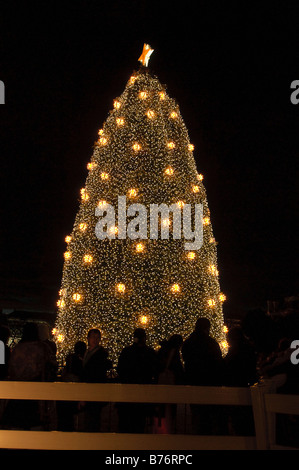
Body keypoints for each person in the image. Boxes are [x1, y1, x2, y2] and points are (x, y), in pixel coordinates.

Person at [1, 322, 53, 430]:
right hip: (36, 387)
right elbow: (50, 365)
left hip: (18, 388)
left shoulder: (18, 348)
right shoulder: (42, 347)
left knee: (16, 419)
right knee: (35, 419)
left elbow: (10, 368)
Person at [182, 317, 225, 435]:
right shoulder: (211, 343)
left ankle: (198, 437)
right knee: (209, 414)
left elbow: (186, 360)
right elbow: (218, 363)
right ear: (207, 328)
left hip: (194, 381)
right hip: (210, 383)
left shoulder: (188, 343)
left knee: (197, 413)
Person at [117, 328, 158, 433]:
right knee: (139, 422)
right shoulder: (149, 353)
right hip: (143, 392)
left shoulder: (127, 352)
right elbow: (155, 369)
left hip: (128, 391)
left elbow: (120, 369)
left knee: (126, 422)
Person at [79, 329, 112, 432]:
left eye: (97, 337)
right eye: (93, 337)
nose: (95, 340)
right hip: (90, 389)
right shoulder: (89, 352)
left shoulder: (99, 354)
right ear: (88, 338)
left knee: (92, 417)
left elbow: (93, 373)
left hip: (93, 389)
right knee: (91, 417)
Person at [154, 334, 185, 433]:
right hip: (170, 381)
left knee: (161, 405)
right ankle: (168, 426)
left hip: (161, 380)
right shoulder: (174, 352)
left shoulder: (162, 350)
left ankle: (160, 425)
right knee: (170, 406)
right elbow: (177, 368)